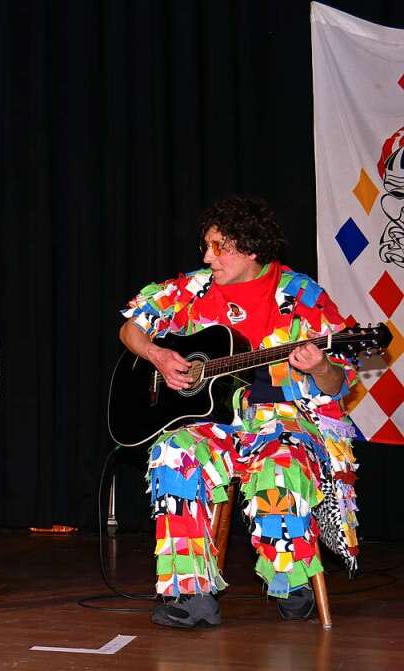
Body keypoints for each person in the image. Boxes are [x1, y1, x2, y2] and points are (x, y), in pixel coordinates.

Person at [119, 196, 360, 628]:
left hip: (278, 419)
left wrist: (321, 365)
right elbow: (130, 327)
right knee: (172, 452)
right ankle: (192, 596)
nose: (207, 256)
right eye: (206, 246)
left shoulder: (299, 294)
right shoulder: (190, 288)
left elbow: (337, 385)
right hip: (210, 423)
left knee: (280, 463)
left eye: (219, 247)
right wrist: (157, 355)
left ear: (251, 249)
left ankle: (292, 580)